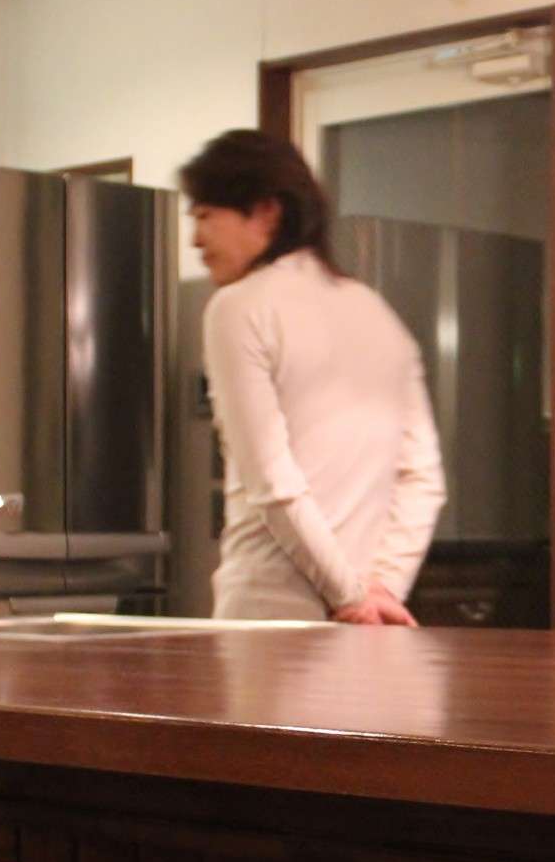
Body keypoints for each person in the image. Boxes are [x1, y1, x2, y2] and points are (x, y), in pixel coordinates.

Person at [184, 128, 445, 624]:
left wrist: (350, 596)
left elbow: (271, 479)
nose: (196, 239)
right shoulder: (378, 314)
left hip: (269, 613)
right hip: (369, 621)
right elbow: (423, 477)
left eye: (204, 215)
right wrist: (381, 589)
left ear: (266, 211)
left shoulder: (238, 307)